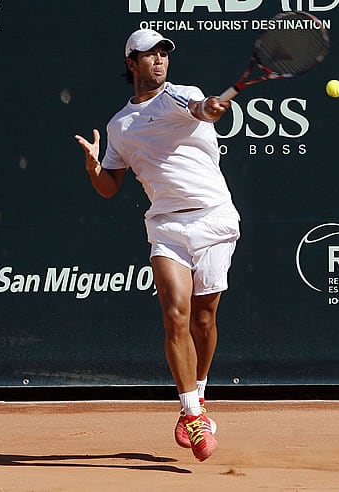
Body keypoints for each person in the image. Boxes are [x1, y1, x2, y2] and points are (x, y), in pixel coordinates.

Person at [74, 29, 239, 462]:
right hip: (166, 225)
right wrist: (94, 166)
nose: (159, 61)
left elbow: (200, 108)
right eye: (149, 55)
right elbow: (110, 187)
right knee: (175, 315)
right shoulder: (119, 125)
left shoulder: (181, 95)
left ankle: (197, 397)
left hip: (214, 218)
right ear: (131, 63)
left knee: (204, 318)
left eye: (164, 53)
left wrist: (210, 108)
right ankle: (191, 412)